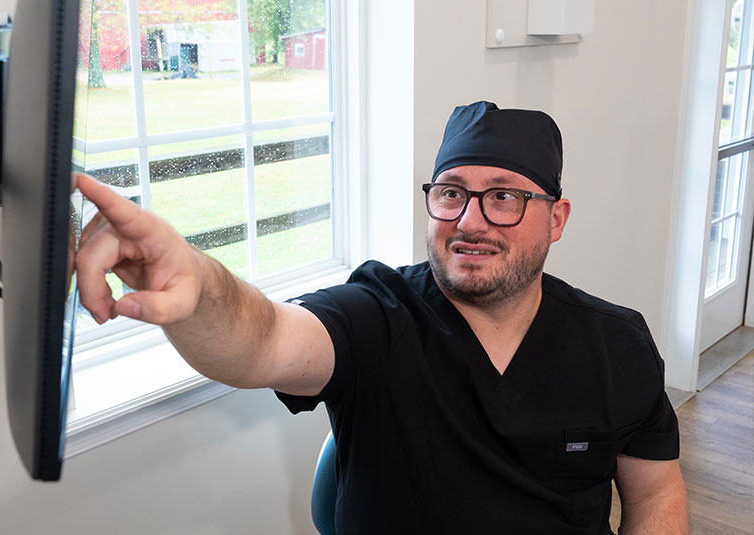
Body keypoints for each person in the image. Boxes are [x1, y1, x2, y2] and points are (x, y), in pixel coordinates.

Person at [75, 101, 689, 534]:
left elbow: (656, 492)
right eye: (451, 192)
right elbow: (262, 341)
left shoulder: (616, 343)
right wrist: (196, 279)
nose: (470, 221)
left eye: (504, 197)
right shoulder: (377, 316)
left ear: (556, 219)